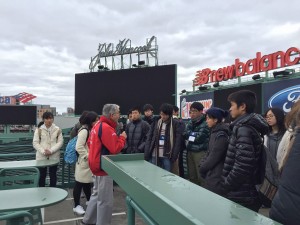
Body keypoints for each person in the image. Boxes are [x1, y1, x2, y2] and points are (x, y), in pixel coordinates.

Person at [222, 90, 269, 212]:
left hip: (242, 193)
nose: (230, 109)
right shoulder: (245, 126)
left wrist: (227, 184)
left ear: (242, 106)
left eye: (232, 105)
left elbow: (242, 166)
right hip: (246, 191)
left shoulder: (244, 129)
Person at [82, 104, 127, 225]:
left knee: (96, 195)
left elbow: (89, 143)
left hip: (95, 165)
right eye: (118, 112)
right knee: (105, 201)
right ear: (112, 115)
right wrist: (122, 138)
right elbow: (115, 148)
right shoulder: (106, 127)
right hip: (103, 167)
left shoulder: (97, 125)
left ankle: (87, 220)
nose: (119, 115)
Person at [269, 101, 300, 225]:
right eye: (267, 116)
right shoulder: (291, 135)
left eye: (271, 116)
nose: (268, 119)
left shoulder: (290, 135)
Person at [73, 111, 99, 215]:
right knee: (79, 183)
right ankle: (76, 205)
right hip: (84, 162)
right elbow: (78, 146)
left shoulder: (89, 130)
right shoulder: (84, 131)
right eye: (96, 120)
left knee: (87, 183)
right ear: (91, 121)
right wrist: (88, 156)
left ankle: (89, 201)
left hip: (87, 162)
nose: (97, 122)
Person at [144, 103, 184, 172]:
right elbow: (149, 138)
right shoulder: (156, 122)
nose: (163, 116)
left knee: (167, 174)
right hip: (155, 153)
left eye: (165, 115)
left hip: (167, 155)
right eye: (161, 114)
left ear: (170, 115)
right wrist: (147, 152)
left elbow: (178, 141)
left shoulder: (175, 124)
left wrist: (174, 156)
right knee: (154, 173)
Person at [199, 107, 229, 195]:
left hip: (217, 176)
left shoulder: (221, 135)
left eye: (208, 118)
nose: (206, 121)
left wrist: (202, 168)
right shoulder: (214, 132)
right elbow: (209, 153)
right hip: (212, 173)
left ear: (215, 119)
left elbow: (214, 157)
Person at [33, 111, 63, 187]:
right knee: (42, 175)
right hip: (41, 156)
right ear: (43, 119)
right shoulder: (39, 130)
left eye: (51, 118)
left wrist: (51, 150)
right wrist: (43, 151)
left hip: (54, 156)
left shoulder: (58, 129)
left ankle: (53, 191)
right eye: (47, 118)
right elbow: (35, 143)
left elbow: (60, 142)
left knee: (53, 175)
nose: (49, 120)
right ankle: (41, 192)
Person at [184, 102, 209, 186]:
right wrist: (192, 134)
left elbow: (199, 137)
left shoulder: (205, 123)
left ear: (201, 111)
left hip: (200, 152)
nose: (192, 114)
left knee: (200, 176)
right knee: (192, 176)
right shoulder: (190, 122)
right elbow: (185, 134)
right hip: (190, 150)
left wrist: (190, 134)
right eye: (190, 111)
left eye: (194, 111)